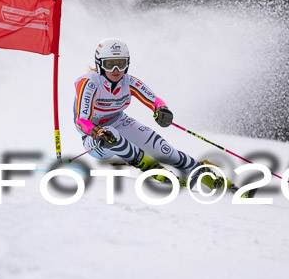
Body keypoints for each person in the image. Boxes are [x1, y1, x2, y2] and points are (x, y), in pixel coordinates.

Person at [72, 38, 227, 190]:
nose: (116, 70)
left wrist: (161, 109)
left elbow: (154, 100)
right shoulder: (90, 83)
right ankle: (151, 168)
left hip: (119, 121)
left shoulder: (128, 81)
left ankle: (202, 173)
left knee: (163, 149)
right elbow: (81, 121)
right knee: (110, 134)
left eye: (121, 64)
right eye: (110, 64)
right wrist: (97, 131)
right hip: (94, 137)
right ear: (99, 64)